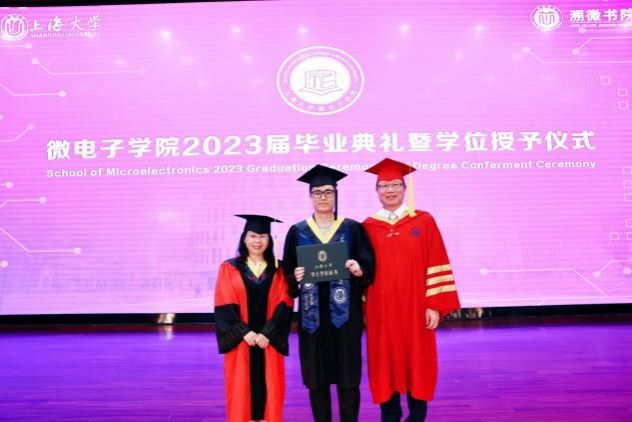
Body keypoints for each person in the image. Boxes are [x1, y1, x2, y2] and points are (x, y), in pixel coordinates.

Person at [362, 158, 461, 422]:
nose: (390, 190)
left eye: (395, 184)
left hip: (416, 308)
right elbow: (363, 272)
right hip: (381, 311)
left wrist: (434, 305)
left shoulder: (424, 221)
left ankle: (417, 417)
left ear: (405, 188)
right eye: (384, 186)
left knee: (418, 360)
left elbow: (437, 260)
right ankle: (390, 416)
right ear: (376, 190)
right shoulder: (367, 227)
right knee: (385, 362)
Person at [282, 165, 375, 422]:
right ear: (310, 196)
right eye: (318, 192)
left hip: (346, 316)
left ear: (335, 195)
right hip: (312, 318)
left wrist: (359, 269)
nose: (323, 197)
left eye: (328, 192)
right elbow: (287, 274)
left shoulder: (352, 229)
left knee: (348, 377)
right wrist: (294, 277)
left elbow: (369, 268)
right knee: (317, 378)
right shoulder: (297, 231)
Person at [215, 214, 293, 422]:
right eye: (252, 236)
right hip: (243, 342)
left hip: (268, 342)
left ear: (269, 239)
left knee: (270, 387)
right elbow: (224, 303)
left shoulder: (279, 269)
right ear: (244, 238)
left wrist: (268, 333)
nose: (257, 241)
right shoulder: (229, 268)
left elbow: (285, 304)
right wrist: (244, 332)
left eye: (262, 236)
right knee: (241, 388)